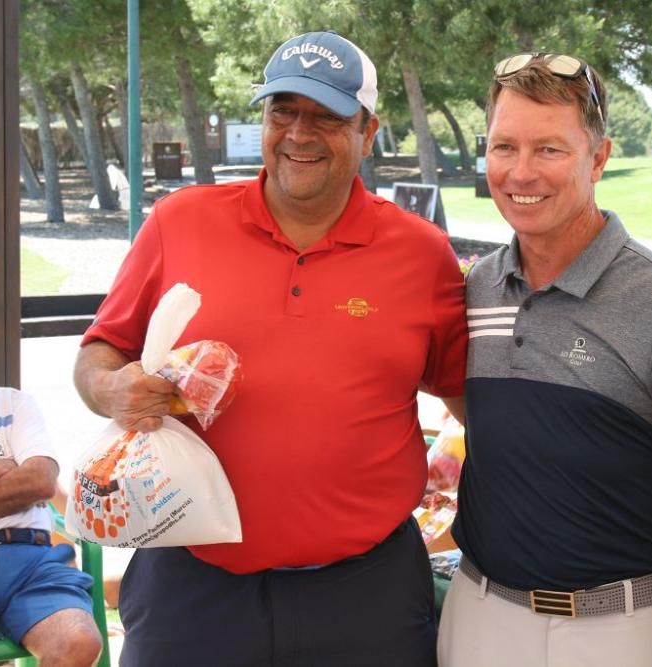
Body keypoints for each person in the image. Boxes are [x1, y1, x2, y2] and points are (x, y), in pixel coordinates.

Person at [73, 31, 467, 667]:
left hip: (367, 597)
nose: (299, 133)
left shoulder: (422, 254)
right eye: (282, 110)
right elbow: (100, 353)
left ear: (369, 132)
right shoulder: (181, 222)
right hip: (192, 587)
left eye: (327, 117)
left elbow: (467, 399)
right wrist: (110, 389)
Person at [437, 53, 652, 667]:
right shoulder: (475, 289)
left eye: (550, 149)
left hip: (623, 631)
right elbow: (485, 418)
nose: (521, 172)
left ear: (598, 158)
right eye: (504, 147)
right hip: (478, 618)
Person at [0, 301, 102, 667]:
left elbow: (41, 481)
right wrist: (1, 466)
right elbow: (28, 478)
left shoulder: (12, 402)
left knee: (79, 641)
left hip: (33, 561)